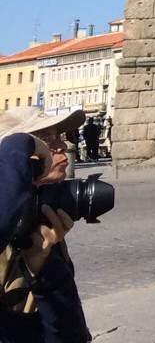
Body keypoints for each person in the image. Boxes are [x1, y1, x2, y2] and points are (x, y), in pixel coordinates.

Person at [0, 106, 92, 342]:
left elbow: (69, 336)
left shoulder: (44, 219)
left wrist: (47, 271)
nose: (62, 146)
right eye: (45, 140)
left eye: (59, 136)